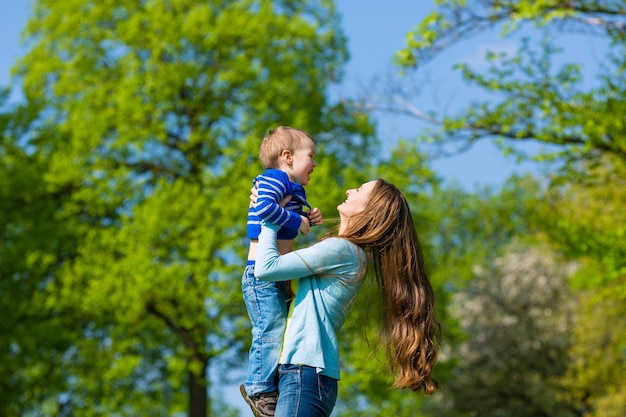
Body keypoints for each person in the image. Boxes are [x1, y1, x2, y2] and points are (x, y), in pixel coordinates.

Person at [252, 178, 441, 417]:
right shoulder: (348, 253)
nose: (350, 190)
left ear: (369, 209)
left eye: (360, 189)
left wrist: (269, 217)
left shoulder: (342, 250)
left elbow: (266, 269)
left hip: (305, 372)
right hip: (303, 373)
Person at [241, 126, 324, 417]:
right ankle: (260, 391)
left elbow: (291, 219)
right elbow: (264, 208)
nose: (314, 163)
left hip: (275, 275)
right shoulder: (274, 179)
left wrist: (308, 218)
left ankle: (268, 387)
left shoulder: (292, 188)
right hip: (260, 276)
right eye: (310, 156)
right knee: (269, 332)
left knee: (278, 331)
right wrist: (296, 219)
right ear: (287, 157)